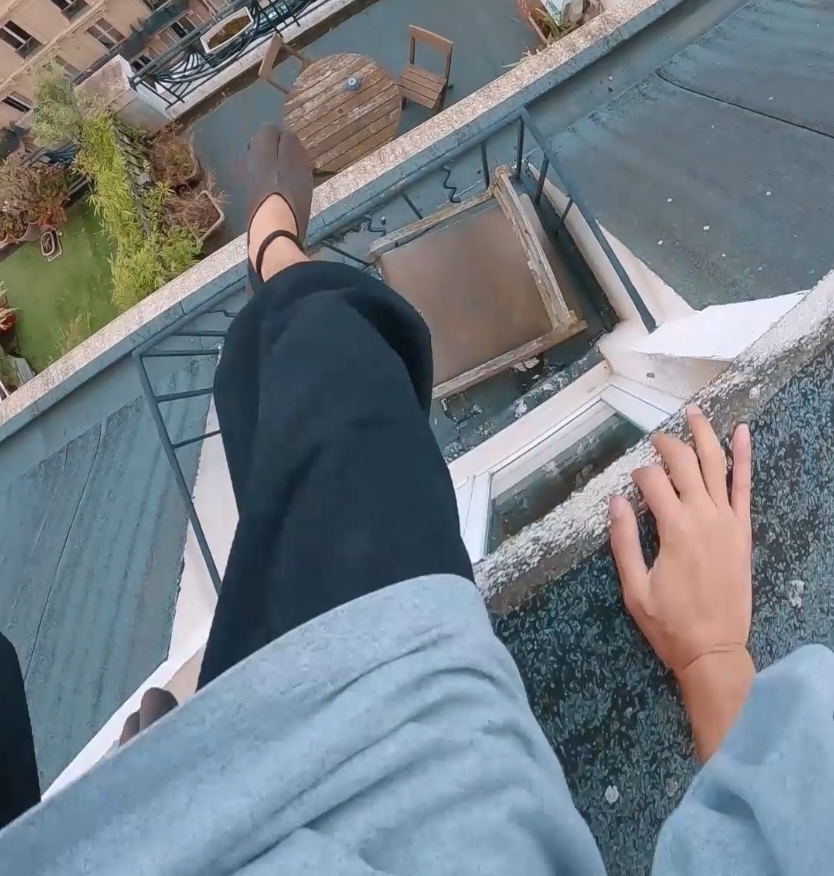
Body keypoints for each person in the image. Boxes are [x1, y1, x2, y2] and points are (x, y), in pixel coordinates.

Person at [0, 127, 829, 873]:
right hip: (373, 786)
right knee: (326, 367)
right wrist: (714, 660)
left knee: (337, 363)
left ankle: (275, 249)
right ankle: (279, 259)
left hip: (389, 772)